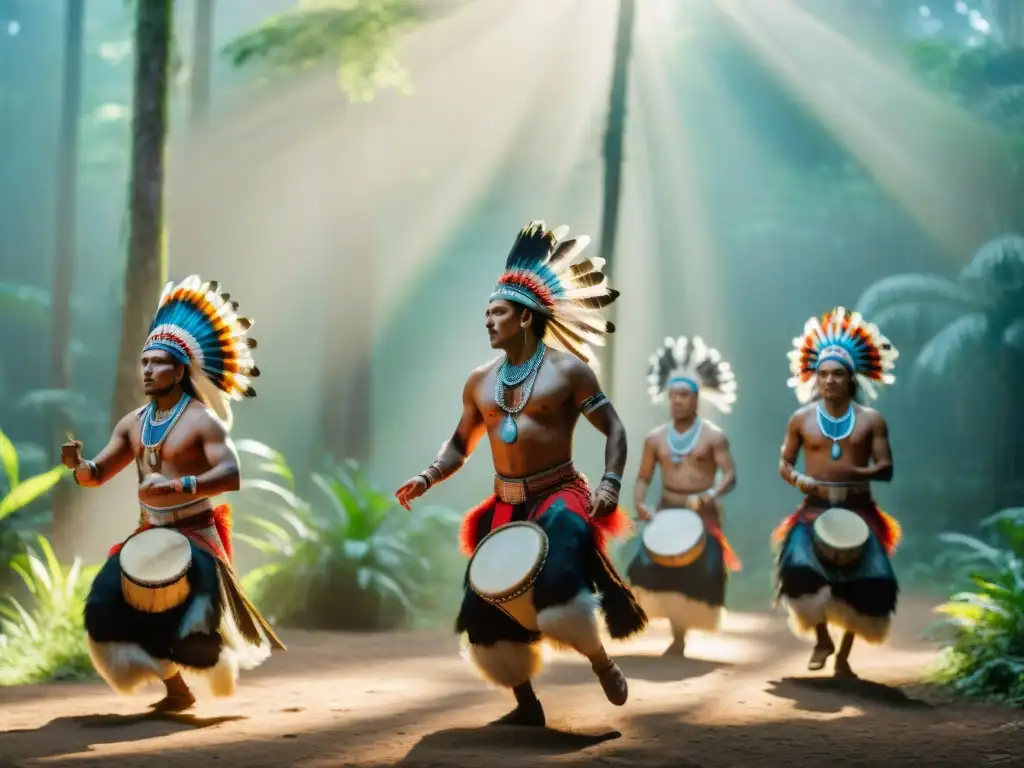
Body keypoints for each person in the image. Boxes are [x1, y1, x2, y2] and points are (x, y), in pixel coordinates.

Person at [395, 221, 647, 727]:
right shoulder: (479, 383)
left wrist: (609, 483)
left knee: (557, 584)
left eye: (498, 312)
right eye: (486, 312)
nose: (488, 321)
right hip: (506, 502)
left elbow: (615, 430)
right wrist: (427, 476)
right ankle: (526, 705)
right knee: (483, 605)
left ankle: (600, 659)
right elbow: (459, 444)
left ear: (526, 318)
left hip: (561, 494)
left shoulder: (569, 372)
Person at [62, 275, 284, 712]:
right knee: (103, 608)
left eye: (158, 362)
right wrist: (78, 468)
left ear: (180, 370)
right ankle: (176, 690)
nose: (147, 369)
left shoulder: (204, 421)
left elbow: (231, 474)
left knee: (190, 626)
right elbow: (97, 474)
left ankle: (200, 662)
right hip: (149, 534)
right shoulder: (133, 423)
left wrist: (180, 484)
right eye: (143, 362)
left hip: (196, 535)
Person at [774, 306, 902, 677]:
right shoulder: (800, 420)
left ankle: (844, 656)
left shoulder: (870, 420)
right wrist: (800, 481)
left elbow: (887, 467)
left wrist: (855, 471)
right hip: (814, 508)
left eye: (838, 374)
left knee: (873, 584)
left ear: (851, 378)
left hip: (860, 510)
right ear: (815, 378)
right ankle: (822, 639)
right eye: (824, 374)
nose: (830, 381)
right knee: (797, 571)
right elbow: (784, 463)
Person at [627, 335, 742, 656]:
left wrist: (710, 493)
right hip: (667, 509)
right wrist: (639, 502)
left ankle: (684, 631)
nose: (677, 401)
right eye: (673, 395)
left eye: (684, 395)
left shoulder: (713, 437)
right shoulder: (655, 439)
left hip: (701, 514)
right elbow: (643, 477)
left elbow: (730, 474)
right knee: (645, 566)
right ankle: (676, 632)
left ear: (696, 399)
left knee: (702, 570)